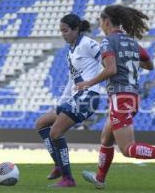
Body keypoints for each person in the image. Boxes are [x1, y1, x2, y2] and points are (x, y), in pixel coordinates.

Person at [76, 5, 155, 189]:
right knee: (106, 139)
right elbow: (150, 65)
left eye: (101, 21)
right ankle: (100, 179)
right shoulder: (133, 43)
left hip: (120, 97)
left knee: (127, 148)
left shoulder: (108, 41)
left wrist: (88, 83)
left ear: (107, 22)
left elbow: (111, 70)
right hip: (132, 97)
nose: (101, 25)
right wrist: (128, 61)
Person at [35, 13, 101, 188]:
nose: (62, 34)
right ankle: (58, 164)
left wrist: (100, 85)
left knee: (55, 132)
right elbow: (72, 80)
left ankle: (68, 179)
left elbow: (109, 64)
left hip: (89, 96)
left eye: (65, 30)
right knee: (41, 123)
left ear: (76, 29)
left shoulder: (88, 44)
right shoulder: (70, 51)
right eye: (61, 31)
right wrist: (61, 103)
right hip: (76, 97)